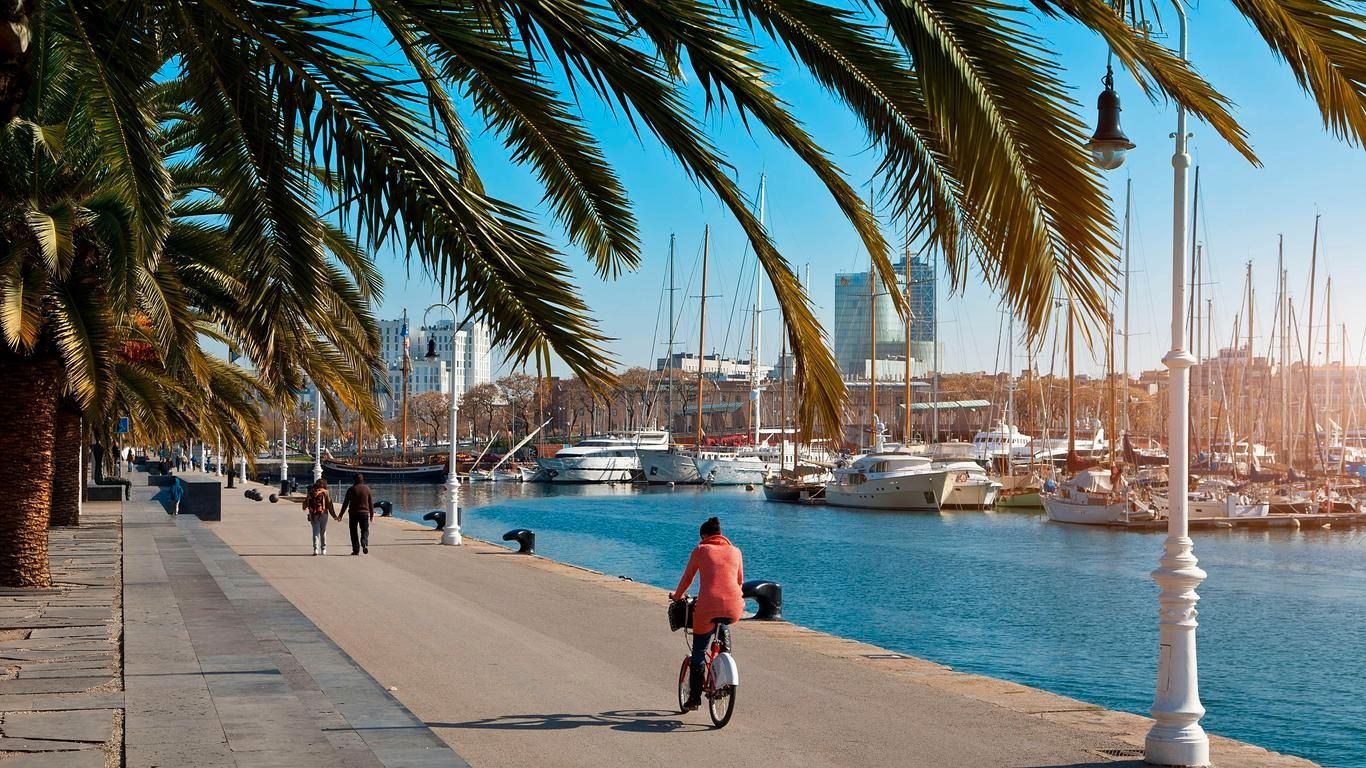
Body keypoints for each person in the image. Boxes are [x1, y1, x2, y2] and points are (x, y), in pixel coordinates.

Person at [670, 516, 744, 711]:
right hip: (733, 607)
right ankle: (724, 668)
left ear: (704, 535)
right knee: (723, 628)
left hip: (707, 607)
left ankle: (694, 698)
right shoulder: (736, 551)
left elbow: (688, 578)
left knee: (699, 652)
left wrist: (677, 596)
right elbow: (739, 581)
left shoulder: (701, 550)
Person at [339, 473, 375, 555]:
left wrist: (341, 515)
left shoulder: (351, 489)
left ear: (354, 480)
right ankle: (364, 541)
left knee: (353, 531)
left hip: (353, 513)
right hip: (364, 513)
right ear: (362, 480)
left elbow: (345, 503)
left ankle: (356, 550)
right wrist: (372, 515)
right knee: (365, 530)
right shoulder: (367, 489)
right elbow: (370, 503)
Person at [305, 478, 337, 556]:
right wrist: (334, 516)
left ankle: (315, 549)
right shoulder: (325, 492)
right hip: (324, 513)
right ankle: (323, 549)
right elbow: (330, 505)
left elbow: (306, 503)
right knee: (323, 531)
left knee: (315, 531)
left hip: (314, 514)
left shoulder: (311, 492)